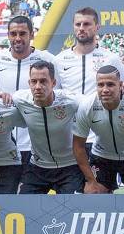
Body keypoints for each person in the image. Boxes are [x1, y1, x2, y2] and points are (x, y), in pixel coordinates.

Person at [0, 14, 57, 172]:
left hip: (37, 143)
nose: (17, 38)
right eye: (13, 34)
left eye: (22, 33)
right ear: (8, 35)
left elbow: (57, 92)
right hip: (5, 143)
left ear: (32, 34)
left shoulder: (47, 59)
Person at [74, 66, 124, 193]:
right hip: (101, 157)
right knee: (93, 193)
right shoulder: (87, 105)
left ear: (120, 85)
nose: (105, 90)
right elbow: (78, 146)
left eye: (110, 84)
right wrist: (91, 181)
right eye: (100, 85)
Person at [12, 60, 84, 194]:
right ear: (29, 83)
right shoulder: (20, 99)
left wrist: (122, 88)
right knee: (23, 208)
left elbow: (95, 100)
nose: (38, 86)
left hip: (69, 167)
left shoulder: (71, 101)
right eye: (34, 81)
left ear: (54, 83)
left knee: (71, 209)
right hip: (38, 167)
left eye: (43, 81)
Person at [54, 6, 124, 97]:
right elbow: (55, 94)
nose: (81, 28)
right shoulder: (59, 60)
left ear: (97, 27)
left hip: (99, 111)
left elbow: (122, 91)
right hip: (70, 111)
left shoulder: (112, 59)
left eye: (86, 24)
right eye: (78, 24)